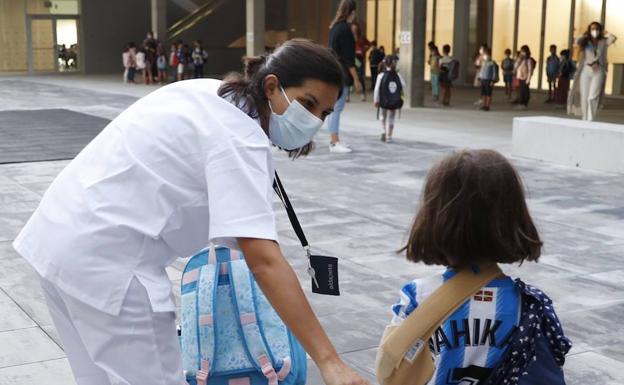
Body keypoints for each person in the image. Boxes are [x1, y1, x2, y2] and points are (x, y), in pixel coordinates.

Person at [12, 39, 370, 385]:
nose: (314, 122)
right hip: (110, 264)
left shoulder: (208, 92)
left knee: (95, 379)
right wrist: (329, 361)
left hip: (57, 239)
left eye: (323, 113)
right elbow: (263, 260)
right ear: (272, 87)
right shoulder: (240, 137)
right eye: (307, 104)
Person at [390, 149, 571, 385]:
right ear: (513, 217)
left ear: (432, 218)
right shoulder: (530, 307)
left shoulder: (416, 297)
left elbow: (391, 369)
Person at [327, 0, 362, 153]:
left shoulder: (334, 27)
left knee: (334, 108)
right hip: (342, 74)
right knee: (337, 108)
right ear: (352, 12)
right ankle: (334, 142)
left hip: (333, 71)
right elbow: (348, 58)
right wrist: (356, 79)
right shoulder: (345, 30)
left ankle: (334, 140)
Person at [568, 22, 617, 121]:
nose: (595, 31)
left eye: (597, 29)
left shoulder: (603, 42)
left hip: (599, 70)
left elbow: (613, 38)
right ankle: (585, 119)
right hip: (586, 70)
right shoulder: (585, 42)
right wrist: (584, 34)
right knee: (585, 97)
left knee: (593, 96)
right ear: (589, 30)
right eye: (592, 29)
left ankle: (590, 119)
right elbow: (576, 40)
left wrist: (606, 32)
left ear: (600, 30)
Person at [373, 55, 405, 143]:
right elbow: (403, 85)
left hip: (383, 99)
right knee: (391, 117)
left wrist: (376, 100)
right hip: (394, 100)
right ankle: (389, 136)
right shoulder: (398, 75)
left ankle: (383, 130)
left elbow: (376, 89)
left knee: (382, 115)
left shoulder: (381, 75)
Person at [514, 45, 534, 109]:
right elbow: (515, 66)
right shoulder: (520, 59)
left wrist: (528, 80)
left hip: (525, 77)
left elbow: (530, 70)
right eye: (521, 51)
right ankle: (520, 102)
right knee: (520, 90)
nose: (522, 53)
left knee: (525, 90)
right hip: (519, 76)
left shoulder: (529, 60)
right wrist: (519, 59)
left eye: (523, 51)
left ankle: (525, 103)